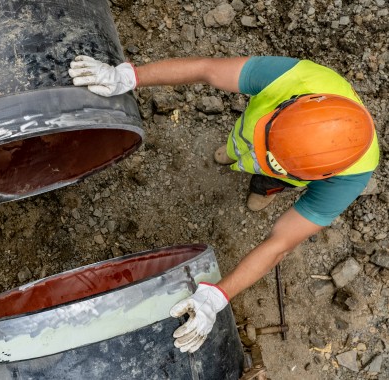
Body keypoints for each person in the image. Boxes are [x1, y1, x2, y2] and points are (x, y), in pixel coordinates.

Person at [68, 55, 379, 352]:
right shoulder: (299, 78)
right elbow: (206, 68)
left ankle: (265, 184)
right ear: (291, 106)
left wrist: (218, 296)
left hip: (277, 166)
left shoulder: (349, 179)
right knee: (234, 151)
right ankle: (231, 154)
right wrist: (128, 76)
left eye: (271, 159)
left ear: (322, 176)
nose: (261, 156)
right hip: (244, 135)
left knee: (266, 183)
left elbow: (280, 243)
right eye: (267, 142)